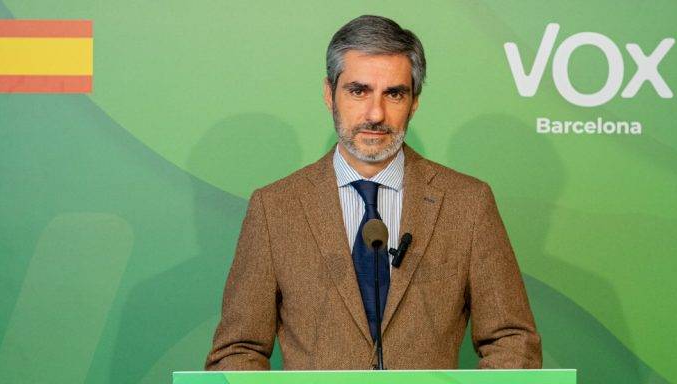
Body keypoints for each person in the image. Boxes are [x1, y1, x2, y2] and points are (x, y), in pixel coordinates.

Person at [205, 15, 541, 370]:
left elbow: (512, 339)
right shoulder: (275, 208)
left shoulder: (468, 204)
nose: (376, 113)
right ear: (328, 94)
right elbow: (237, 351)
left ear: (414, 102)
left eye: (394, 93)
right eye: (358, 91)